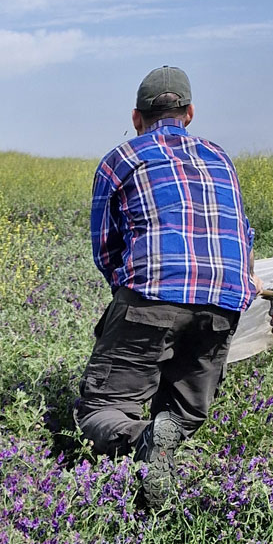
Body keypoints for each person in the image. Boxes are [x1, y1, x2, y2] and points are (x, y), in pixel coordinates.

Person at [75, 66, 258, 510]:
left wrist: (131, 296)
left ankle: (140, 440)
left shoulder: (122, 158)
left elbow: (106, 249)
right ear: (190, 113)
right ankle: (160, 498)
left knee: (99, 411)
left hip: (152, 294)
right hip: (224, 303)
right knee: (185, 414)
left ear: (137, 118)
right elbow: (245, 237)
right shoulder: (220, 157)